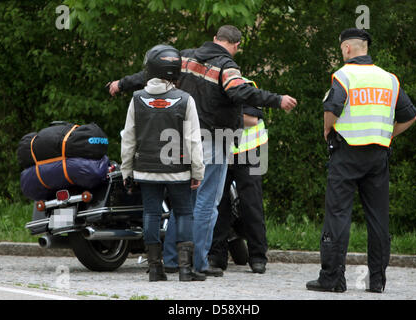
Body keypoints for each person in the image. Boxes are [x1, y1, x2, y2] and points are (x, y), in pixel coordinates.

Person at [111, 25, 297, 276]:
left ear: (214, 39)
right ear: (236, 45)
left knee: (182, 204)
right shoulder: (226, 65)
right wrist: (277, 99)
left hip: (177, 140)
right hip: (212, 139)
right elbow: (238, 90)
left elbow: (149, 75)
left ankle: (173, 259)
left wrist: (121, 84)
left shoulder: (183, 57)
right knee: (206, 204)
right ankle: (197, 263)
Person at [306, 28, 416, 293]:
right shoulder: (389, 79)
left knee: (338, 214)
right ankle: (377, 281)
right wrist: (386, 134)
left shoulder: (344, 75)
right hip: (378, 154)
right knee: (378, 219)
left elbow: (331, 108)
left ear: (347, 49)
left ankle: (332, 278)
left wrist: (327, 131)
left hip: (347, 153)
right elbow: (410, 116)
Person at [120, 44, 206, 282]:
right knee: (185, 213)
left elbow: (128, 138)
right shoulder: (185, 100)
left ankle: (155, 269)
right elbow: (193, 140)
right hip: (178, 169)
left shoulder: (137, 99)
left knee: (151, 214)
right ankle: (186, 270)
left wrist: (126, 170)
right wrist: (197, 170)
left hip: (145, 169)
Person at [209, 78, 269, 274]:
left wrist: (221, 113)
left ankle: (258, 257)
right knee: (219, 204)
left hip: (249, 151)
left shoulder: (248, 87)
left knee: (251, 204)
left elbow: (251, 119)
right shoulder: (211, 86)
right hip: (222, 150)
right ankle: (217, 257)